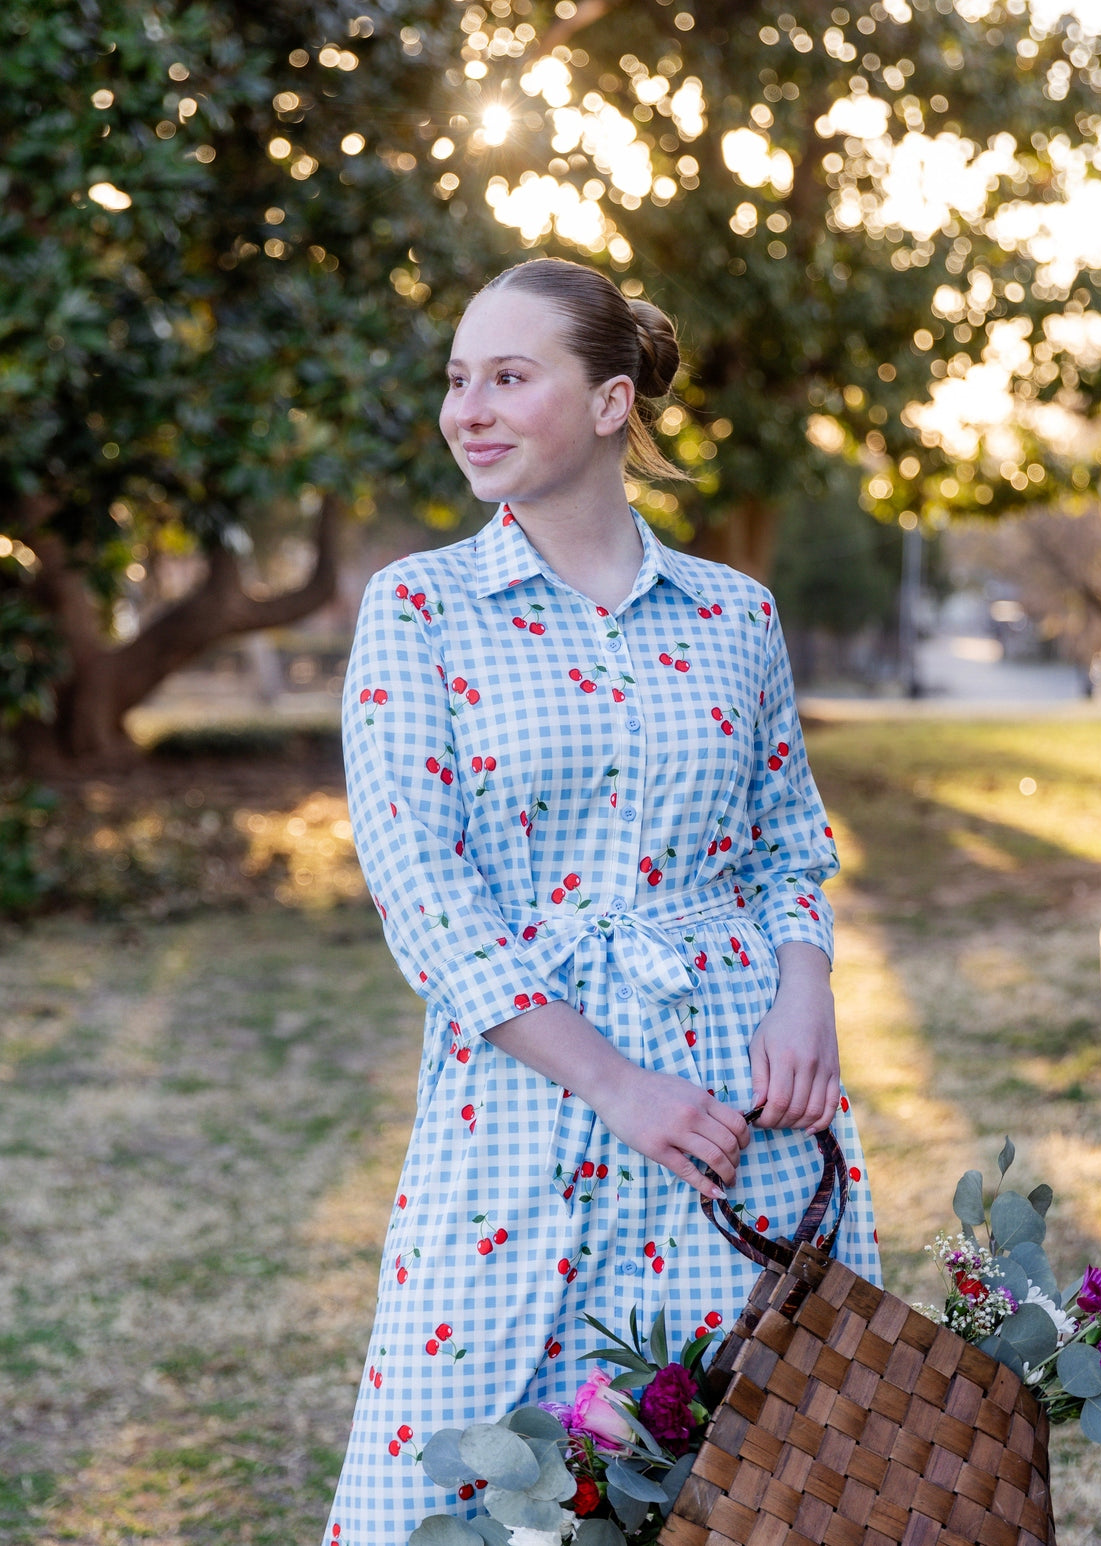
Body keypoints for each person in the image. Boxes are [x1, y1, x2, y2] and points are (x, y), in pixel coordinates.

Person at [324, 258, 881, 1545]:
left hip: (743, 1098)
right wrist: (621, 1089)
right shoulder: (420, 607)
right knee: (470, 1472)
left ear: (613, 401)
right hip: (531, 1095)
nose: (469, 406)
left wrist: (809, 999)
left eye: (510, 376)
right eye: (459, 378)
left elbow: (788, 838)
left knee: (750, 1470)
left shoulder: (734, 612)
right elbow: (425, 895)